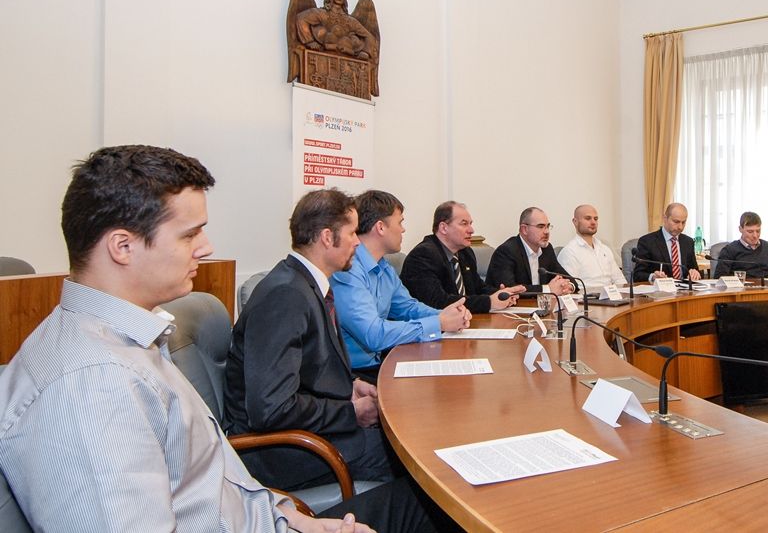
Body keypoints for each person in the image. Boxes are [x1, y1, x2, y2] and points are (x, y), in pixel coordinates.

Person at [0, 145, 373, 532]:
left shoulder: (134, 339)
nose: (205, 247)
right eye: (189, 234)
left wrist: (295, 520)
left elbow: (217, 486)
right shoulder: (91, 386)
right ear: (123, 247)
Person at [224, 189, 398, 489]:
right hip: (283, 452)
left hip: (308, 434)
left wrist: (350, 386)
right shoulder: (286, 295)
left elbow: (307, 369)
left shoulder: (302, 284)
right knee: (412, 458)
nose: (358, 242)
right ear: (328, 237)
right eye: (352, 233)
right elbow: (272, 408)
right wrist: (351, 412)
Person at [332, 190, 472, 382]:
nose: (403, 230)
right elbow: (373, 334)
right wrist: (438, 322)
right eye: (400, 222)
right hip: (353, 375)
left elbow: (408, 308)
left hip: (380, 362)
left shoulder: (384, 267)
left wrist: (446, 315)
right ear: (380, 227)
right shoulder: (348, 270)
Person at [401, 201, 525, 314]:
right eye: (464, 224)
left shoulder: (465, 252)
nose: (471, 230)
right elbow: (438, 302)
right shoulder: (423, 255)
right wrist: (489, 302)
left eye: (470, 224)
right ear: (444, 228)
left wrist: (502, 294)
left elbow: (478, 288)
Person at [486, 207, 575, 295]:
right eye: (541, 226)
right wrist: (547, 289)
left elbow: (568, 278)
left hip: (538, 303)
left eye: (548, 226)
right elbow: (510, 289)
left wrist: (569, 286)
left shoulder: (546, 249)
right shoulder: (506, 251)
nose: (547, 231)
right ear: (524, 229)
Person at [557, 204, 628, 290]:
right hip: (587, 297)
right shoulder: (569, 252)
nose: (593, 222)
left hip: (612, 295)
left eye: (596, 219)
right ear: (575, 221)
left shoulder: (604, 248)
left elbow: (619, 280)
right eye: (588, 218)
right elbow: (570, 287)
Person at [634, 203, 704, 283]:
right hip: (660, 289)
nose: (680, 227)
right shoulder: (647, 241)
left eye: (683, 222)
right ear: (665, 218)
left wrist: (695, 273)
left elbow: (694, 269)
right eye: (676, 222)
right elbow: (637, 275)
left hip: (684, 288)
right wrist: (653, 277)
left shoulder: (688, 242)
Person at [713, 211, 768, 279]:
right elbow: (719, 278)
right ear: (740, 229)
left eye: (758, 231)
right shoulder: (729, 250)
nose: (755, 235)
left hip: (764, 287)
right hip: (739, 288)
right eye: (750, 231)